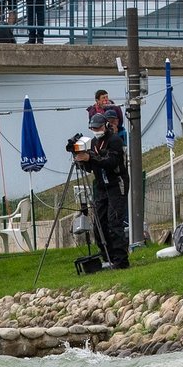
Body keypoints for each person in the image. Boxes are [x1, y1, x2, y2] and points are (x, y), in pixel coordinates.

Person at [66, 114, 130, 269]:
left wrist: (91, 158)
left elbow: (112, 162)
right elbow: (91, 167)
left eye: (98, 127)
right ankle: (107, 256)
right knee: (99, 224)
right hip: (101, 186)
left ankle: (121, 260)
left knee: (114, 222)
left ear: (105, 125)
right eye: (93, 128)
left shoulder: (114, 140)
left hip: (116, 184)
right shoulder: (93, 142)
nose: (96, 130)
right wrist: (81, 160)